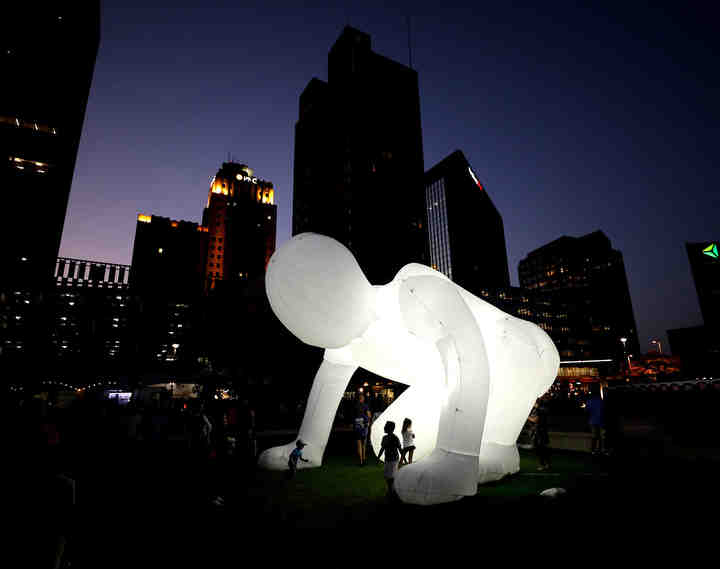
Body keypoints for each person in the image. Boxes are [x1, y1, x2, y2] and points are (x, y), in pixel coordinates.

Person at [376, 421, 402, 499]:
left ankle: (392, 491)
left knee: (391, 476)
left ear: (390, 428)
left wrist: (403, 459)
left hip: (394, 460)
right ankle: (391, 490)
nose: (384, 427)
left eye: (386, 426)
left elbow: (399, 448)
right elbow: (382, 448)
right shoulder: (385, 438)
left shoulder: (395, 438)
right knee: (387, 476)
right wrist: (378, 457)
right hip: (387, 459)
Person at [528, 395, 550, 471]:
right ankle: (545, 464)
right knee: (541, 448)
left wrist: (527, 417)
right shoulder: (537, 409)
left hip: (540, 432)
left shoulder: (541, 409)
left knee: (540, 449)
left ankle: (543, 464)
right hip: (538, 431)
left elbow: (535, 420)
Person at [586, 383, 606, 455]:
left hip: (593, 420)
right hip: (600, 420)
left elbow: (587, 410)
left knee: (595, 436)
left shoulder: (590, 400)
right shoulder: (601, 400)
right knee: (601, 437)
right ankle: (601, 450)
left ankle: (593, 450)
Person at [353, 394, 371, 466]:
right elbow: (369, 415)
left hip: (357, 425)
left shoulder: (355, 406)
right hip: (364, 425)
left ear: (358, 399)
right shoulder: (365, 406)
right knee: (364, 444)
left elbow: (353, 416)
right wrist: (368, 420)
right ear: (363, 399)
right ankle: (364, 459)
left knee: (359, 444)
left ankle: (360, 461)